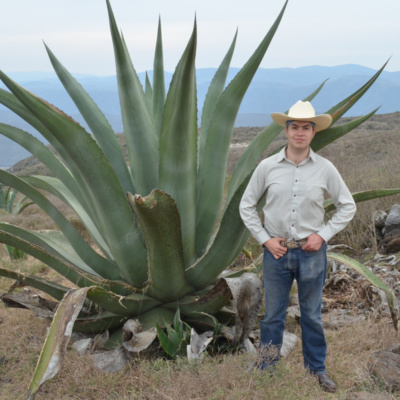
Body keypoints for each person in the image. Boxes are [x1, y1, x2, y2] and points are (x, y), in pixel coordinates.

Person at [239, 100, 356, 393]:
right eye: (294, 127)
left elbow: (347, 206)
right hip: (276, 252)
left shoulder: (325, 168)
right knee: (272, 316)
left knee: (312, 315)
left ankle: (316, 370)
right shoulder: (267, 167)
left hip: (312, 252)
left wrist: (323, 235)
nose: (300, 133)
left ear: (313, 133)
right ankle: (267, 368)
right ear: (286, 131)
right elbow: (246, 205)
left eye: (306, 127)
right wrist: (265, 239)